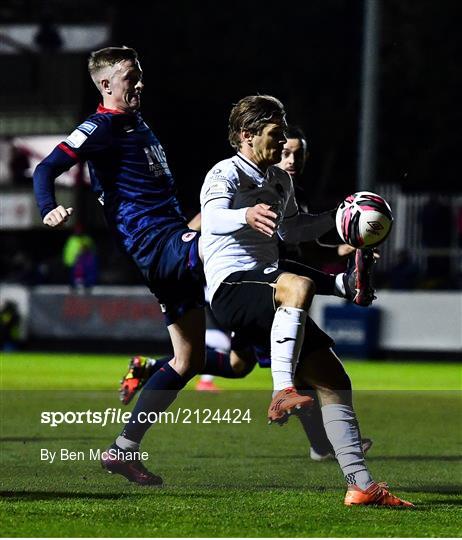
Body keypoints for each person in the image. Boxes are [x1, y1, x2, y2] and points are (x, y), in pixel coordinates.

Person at [199, 94, 412, 506]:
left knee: (334, 381)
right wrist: (243, 216)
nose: (282, 146)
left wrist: (339, 218)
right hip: (230, 287)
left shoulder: (279, 181)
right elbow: (212, 217)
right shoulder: (224, 173)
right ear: (247, 135)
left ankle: (360, 485)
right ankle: (283, 389)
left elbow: (292, 230)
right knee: (297, 286)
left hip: (268, 285)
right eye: (274, 136)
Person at [33, 46, 206, 486]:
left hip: (169, 240)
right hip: (157, 244)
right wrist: (48, 207)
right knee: (242, 243)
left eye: (141, 74)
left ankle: (122, 450)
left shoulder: (134, 122)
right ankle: (329, 291)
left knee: (188, 358)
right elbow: (45, 170)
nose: (140, 83)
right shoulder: (100, 127)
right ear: (106, 84)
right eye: (131, 76)